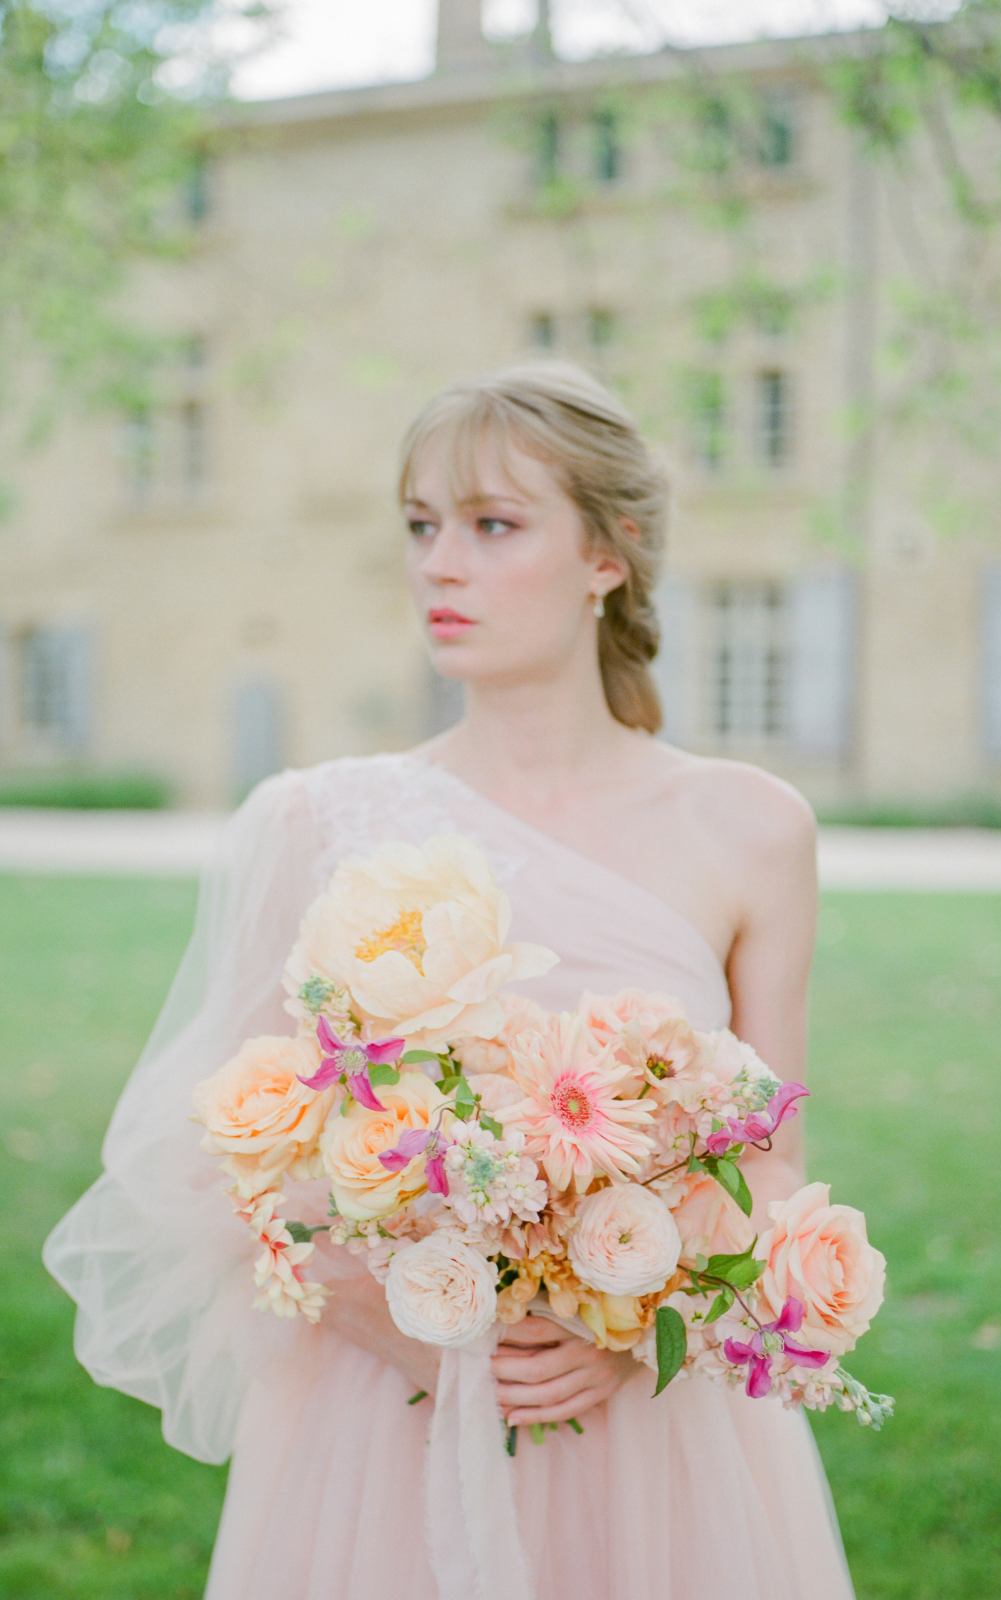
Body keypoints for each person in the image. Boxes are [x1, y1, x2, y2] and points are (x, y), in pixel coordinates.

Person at [44, 361, 856, 1599]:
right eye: (421, 526)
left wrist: (638, 1332)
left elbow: (774, 1157)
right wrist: (393, 1310)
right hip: (385, 1419)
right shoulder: (316, 822)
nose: (438, 564)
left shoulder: (749, 828)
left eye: (491, 526)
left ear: (609, 553)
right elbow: (232, 1156)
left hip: (658, 1436)